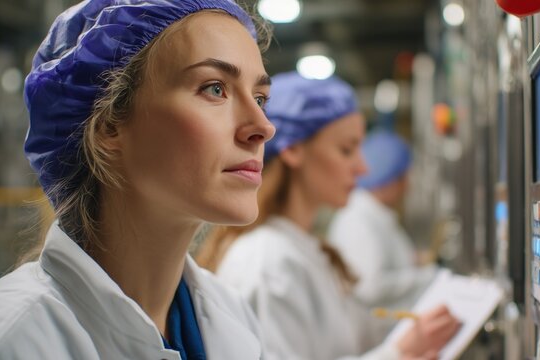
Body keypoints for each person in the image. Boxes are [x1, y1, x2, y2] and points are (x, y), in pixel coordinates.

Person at [0, 1, 276, 358]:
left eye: (260, 98)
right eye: (215, 88)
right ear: (107, 125)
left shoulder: (231, 316)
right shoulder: (2, 345)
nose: (263, 126)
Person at [196, 71, 460, 360]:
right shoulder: (268, 262)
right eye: (346, 150)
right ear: (294, 151)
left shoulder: (305, 249)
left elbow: (353, 336)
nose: (363, 169)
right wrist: (398, 353)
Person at [328, 131, 437, 310]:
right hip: (375, 332)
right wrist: (427, 277)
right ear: (388, 180)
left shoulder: (374, 213)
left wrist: (412, 260)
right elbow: (369, 286)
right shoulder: (358, 221)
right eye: (403, 179)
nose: (407, 187)